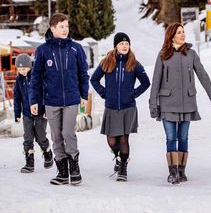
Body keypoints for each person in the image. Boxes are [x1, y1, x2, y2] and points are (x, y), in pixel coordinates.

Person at [149, 22, 211, 185]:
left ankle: (181, 171)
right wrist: (153, 104)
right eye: (179, 32)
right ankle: (173, 171)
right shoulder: (163, 54)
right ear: (171, 36)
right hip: (167, 102)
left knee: (183, 137)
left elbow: (203, 76)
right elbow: (155, 81)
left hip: (187, 103)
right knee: (171, 137)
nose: (183, 35)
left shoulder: (191, 54)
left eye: (183, 32)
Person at [29, 13, 89, 185]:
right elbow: (36, 78)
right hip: (51, 101)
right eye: (61, 26)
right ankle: (62, 172)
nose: (65, 30)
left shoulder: (76, 49)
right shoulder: (42, 51)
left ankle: (74, 168)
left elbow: (82, 74)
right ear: (52, 28)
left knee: (68, 133)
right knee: (56, 135)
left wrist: (84, 95)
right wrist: (35, 100)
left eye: (67, 26)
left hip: (71, 99)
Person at [90, 32, 150, 182]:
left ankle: (123, 167)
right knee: (112, 140)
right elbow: (94, 79)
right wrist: (104, 93)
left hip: (128, 107)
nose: (124, 46)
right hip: (111, 107)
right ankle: (118, 157)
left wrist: (133, 94)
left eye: (127, 44)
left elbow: (146, 82)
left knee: (123, 139)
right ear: (116, 46)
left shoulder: (134, 63)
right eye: (121, 44)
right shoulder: (107, 61)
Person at [14, 53, 53, 173]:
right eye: (19, 69)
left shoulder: (37, 77)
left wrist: (46, 109)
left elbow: (45, 92)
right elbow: (17, 97)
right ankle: (29, 163)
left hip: (41, 112)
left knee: (40, 136)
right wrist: (17, 113)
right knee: (28, 137)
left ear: (30, 66)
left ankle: (47, 151)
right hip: (27, 113)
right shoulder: (19, 79)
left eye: (24, 69)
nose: (22, 71)